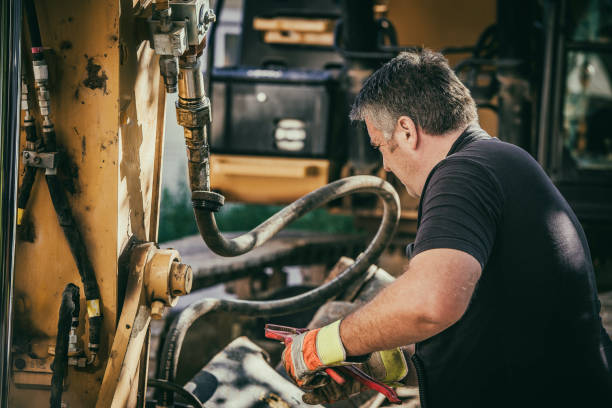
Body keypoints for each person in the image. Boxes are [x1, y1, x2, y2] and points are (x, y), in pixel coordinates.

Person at [281, 49, 612, 407]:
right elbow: (497, 327)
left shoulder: (463, 173)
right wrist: (386, 366)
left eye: (381, 147)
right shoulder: (499, 162)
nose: (385, 167)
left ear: (407, 131)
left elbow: (430, 303)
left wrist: (323, 344)